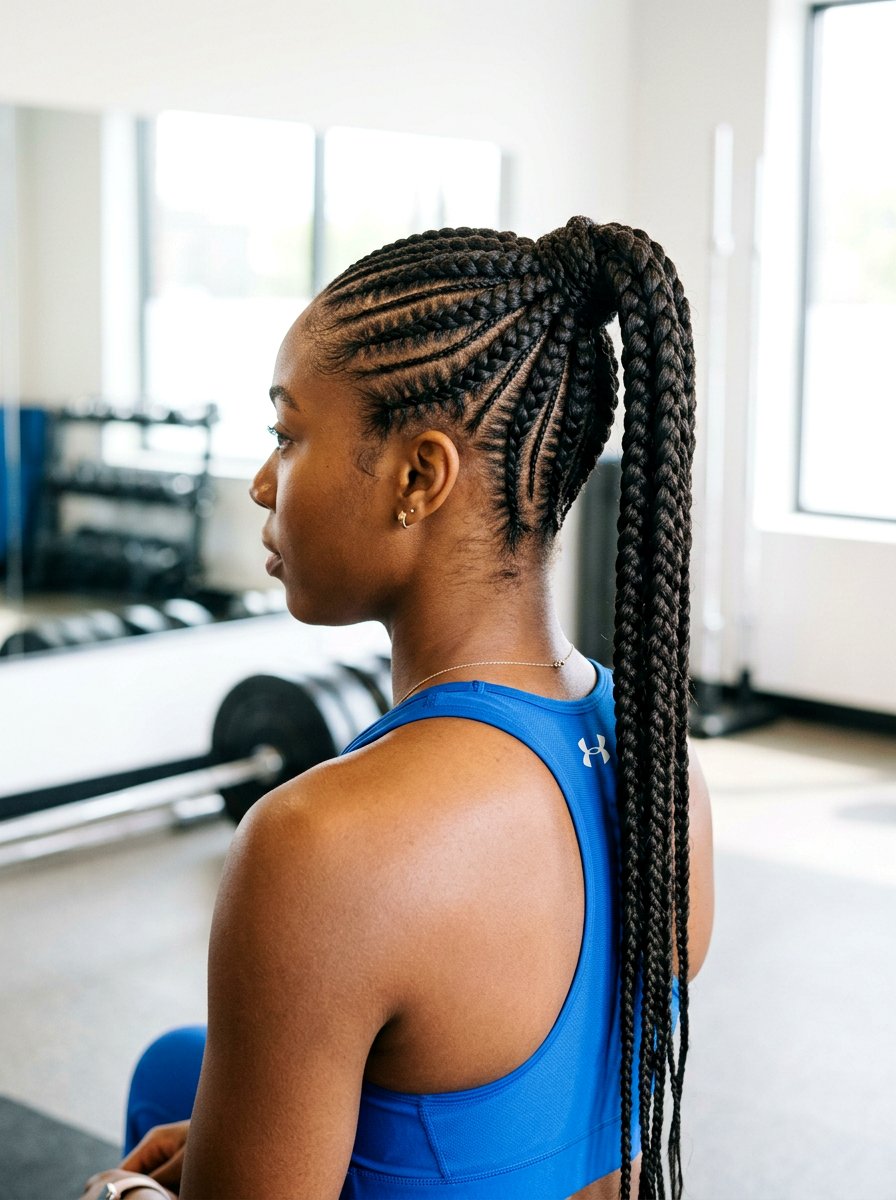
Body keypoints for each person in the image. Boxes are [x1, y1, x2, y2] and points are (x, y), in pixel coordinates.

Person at [82, 216, 714, 1200]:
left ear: (419, 476)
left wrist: (118, 1198)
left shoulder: (318, 844)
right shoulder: (661, 763)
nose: (261, 482)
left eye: (287, 434)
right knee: (181, 1065)